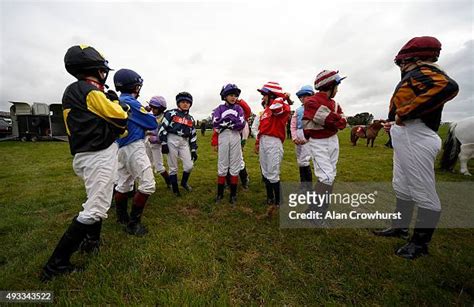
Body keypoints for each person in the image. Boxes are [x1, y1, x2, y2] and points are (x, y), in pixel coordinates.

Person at [41, 45, 129, 281]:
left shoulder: (75, 89)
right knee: (97, 207)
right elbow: (121, 118)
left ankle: (91, 241)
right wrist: (118, 104)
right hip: (97, 154)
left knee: (95, 199)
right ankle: (55, 265)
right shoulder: (89, 90)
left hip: (87, 154)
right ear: (97, 69)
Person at [373, 36, 459, 259]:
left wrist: (406, 112)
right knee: (401, 185)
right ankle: (400, 227)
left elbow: (448, 86)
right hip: (408, 134)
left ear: (415, 58)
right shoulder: (420, 74)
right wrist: (395, 122)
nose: (401, 67)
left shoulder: (424, 71)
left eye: (402, 63)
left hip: (416, 135)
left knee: (423, 190)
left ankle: (420, 244)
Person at [113, 69, 158, 237]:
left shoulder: (117, 101)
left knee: (124, 184)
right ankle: (133, 224)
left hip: (121, 147)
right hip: (134, 146)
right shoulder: (131, 102)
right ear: (135, 85)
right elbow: (151, 122)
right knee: (148, 184)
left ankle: (121, 217)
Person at [302, 70, 347, 223]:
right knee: (327, 176)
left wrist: (334, 120)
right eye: (337, 86)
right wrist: (335, 120)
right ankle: (316, 213)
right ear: (331, 86)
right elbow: (331, 119)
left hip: (333, 140)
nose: (338, 90)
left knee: (331, 174)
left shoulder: (334, 103)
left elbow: (341, 120)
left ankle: (317, 211)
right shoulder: (311, 102)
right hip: (318, 142)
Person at [255, 82, 292, 218]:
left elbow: (277, 107)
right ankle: (270, 197)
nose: (263, 98)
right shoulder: (266, 110)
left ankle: (278, 200)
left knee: (273, 171)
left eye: (265, 94)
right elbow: (261, 128)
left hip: (274, 141)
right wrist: (258, 142)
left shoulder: (282, 106)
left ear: (272, 95)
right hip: (264, 140)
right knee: (265, 170)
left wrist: (282, 96)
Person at [212, 84, 246, 205]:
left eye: (235, 95)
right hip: (223, 136)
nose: (233, 97)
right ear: (225, 96)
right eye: (231, 95)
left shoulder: (239, 108)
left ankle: (233, 195)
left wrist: (226, 122)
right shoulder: (219, 109)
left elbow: (241, 123)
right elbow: (216, 123)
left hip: (236, 136)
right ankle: (220, 194)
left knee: (235, 163)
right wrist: (232, 121)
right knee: (222, 163)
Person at [159, 92, 198, 196]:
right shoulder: (171, 113)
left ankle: (184, 182)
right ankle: (175, 190)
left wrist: (193, 149)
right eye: (183, 102)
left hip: (184, 142)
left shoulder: (191, 118)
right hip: (171, 139)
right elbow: (162, 128)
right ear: (178, 103)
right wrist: (163, 143)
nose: (185, 104)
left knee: (189, 165)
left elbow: (193, 135)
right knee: (173, 167)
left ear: (190, 104)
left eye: (188, 102)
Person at [291, 85, 314, 190]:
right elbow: (293, 124)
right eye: (301, 97)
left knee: (305, 160)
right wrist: (294, 137)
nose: (303, 99)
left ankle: (308, 186)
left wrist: (307, 139)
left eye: (306, 96)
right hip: (299, 134)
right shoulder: (298, 110)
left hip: (308, 135)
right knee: (300, 160)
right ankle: (303, 183)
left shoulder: (314, 109)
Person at [145, 96, 171, 188]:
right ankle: (149, 183)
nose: (153, 109)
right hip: (147, 143)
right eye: (151, 107)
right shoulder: (150, 115)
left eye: (155, 108)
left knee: (159, 167)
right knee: (147, 164)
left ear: (161, 108)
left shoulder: (164, 118)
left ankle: (169, 182)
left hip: (156, 145)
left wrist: (157, 138)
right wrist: (145, 110)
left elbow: (165, 132)